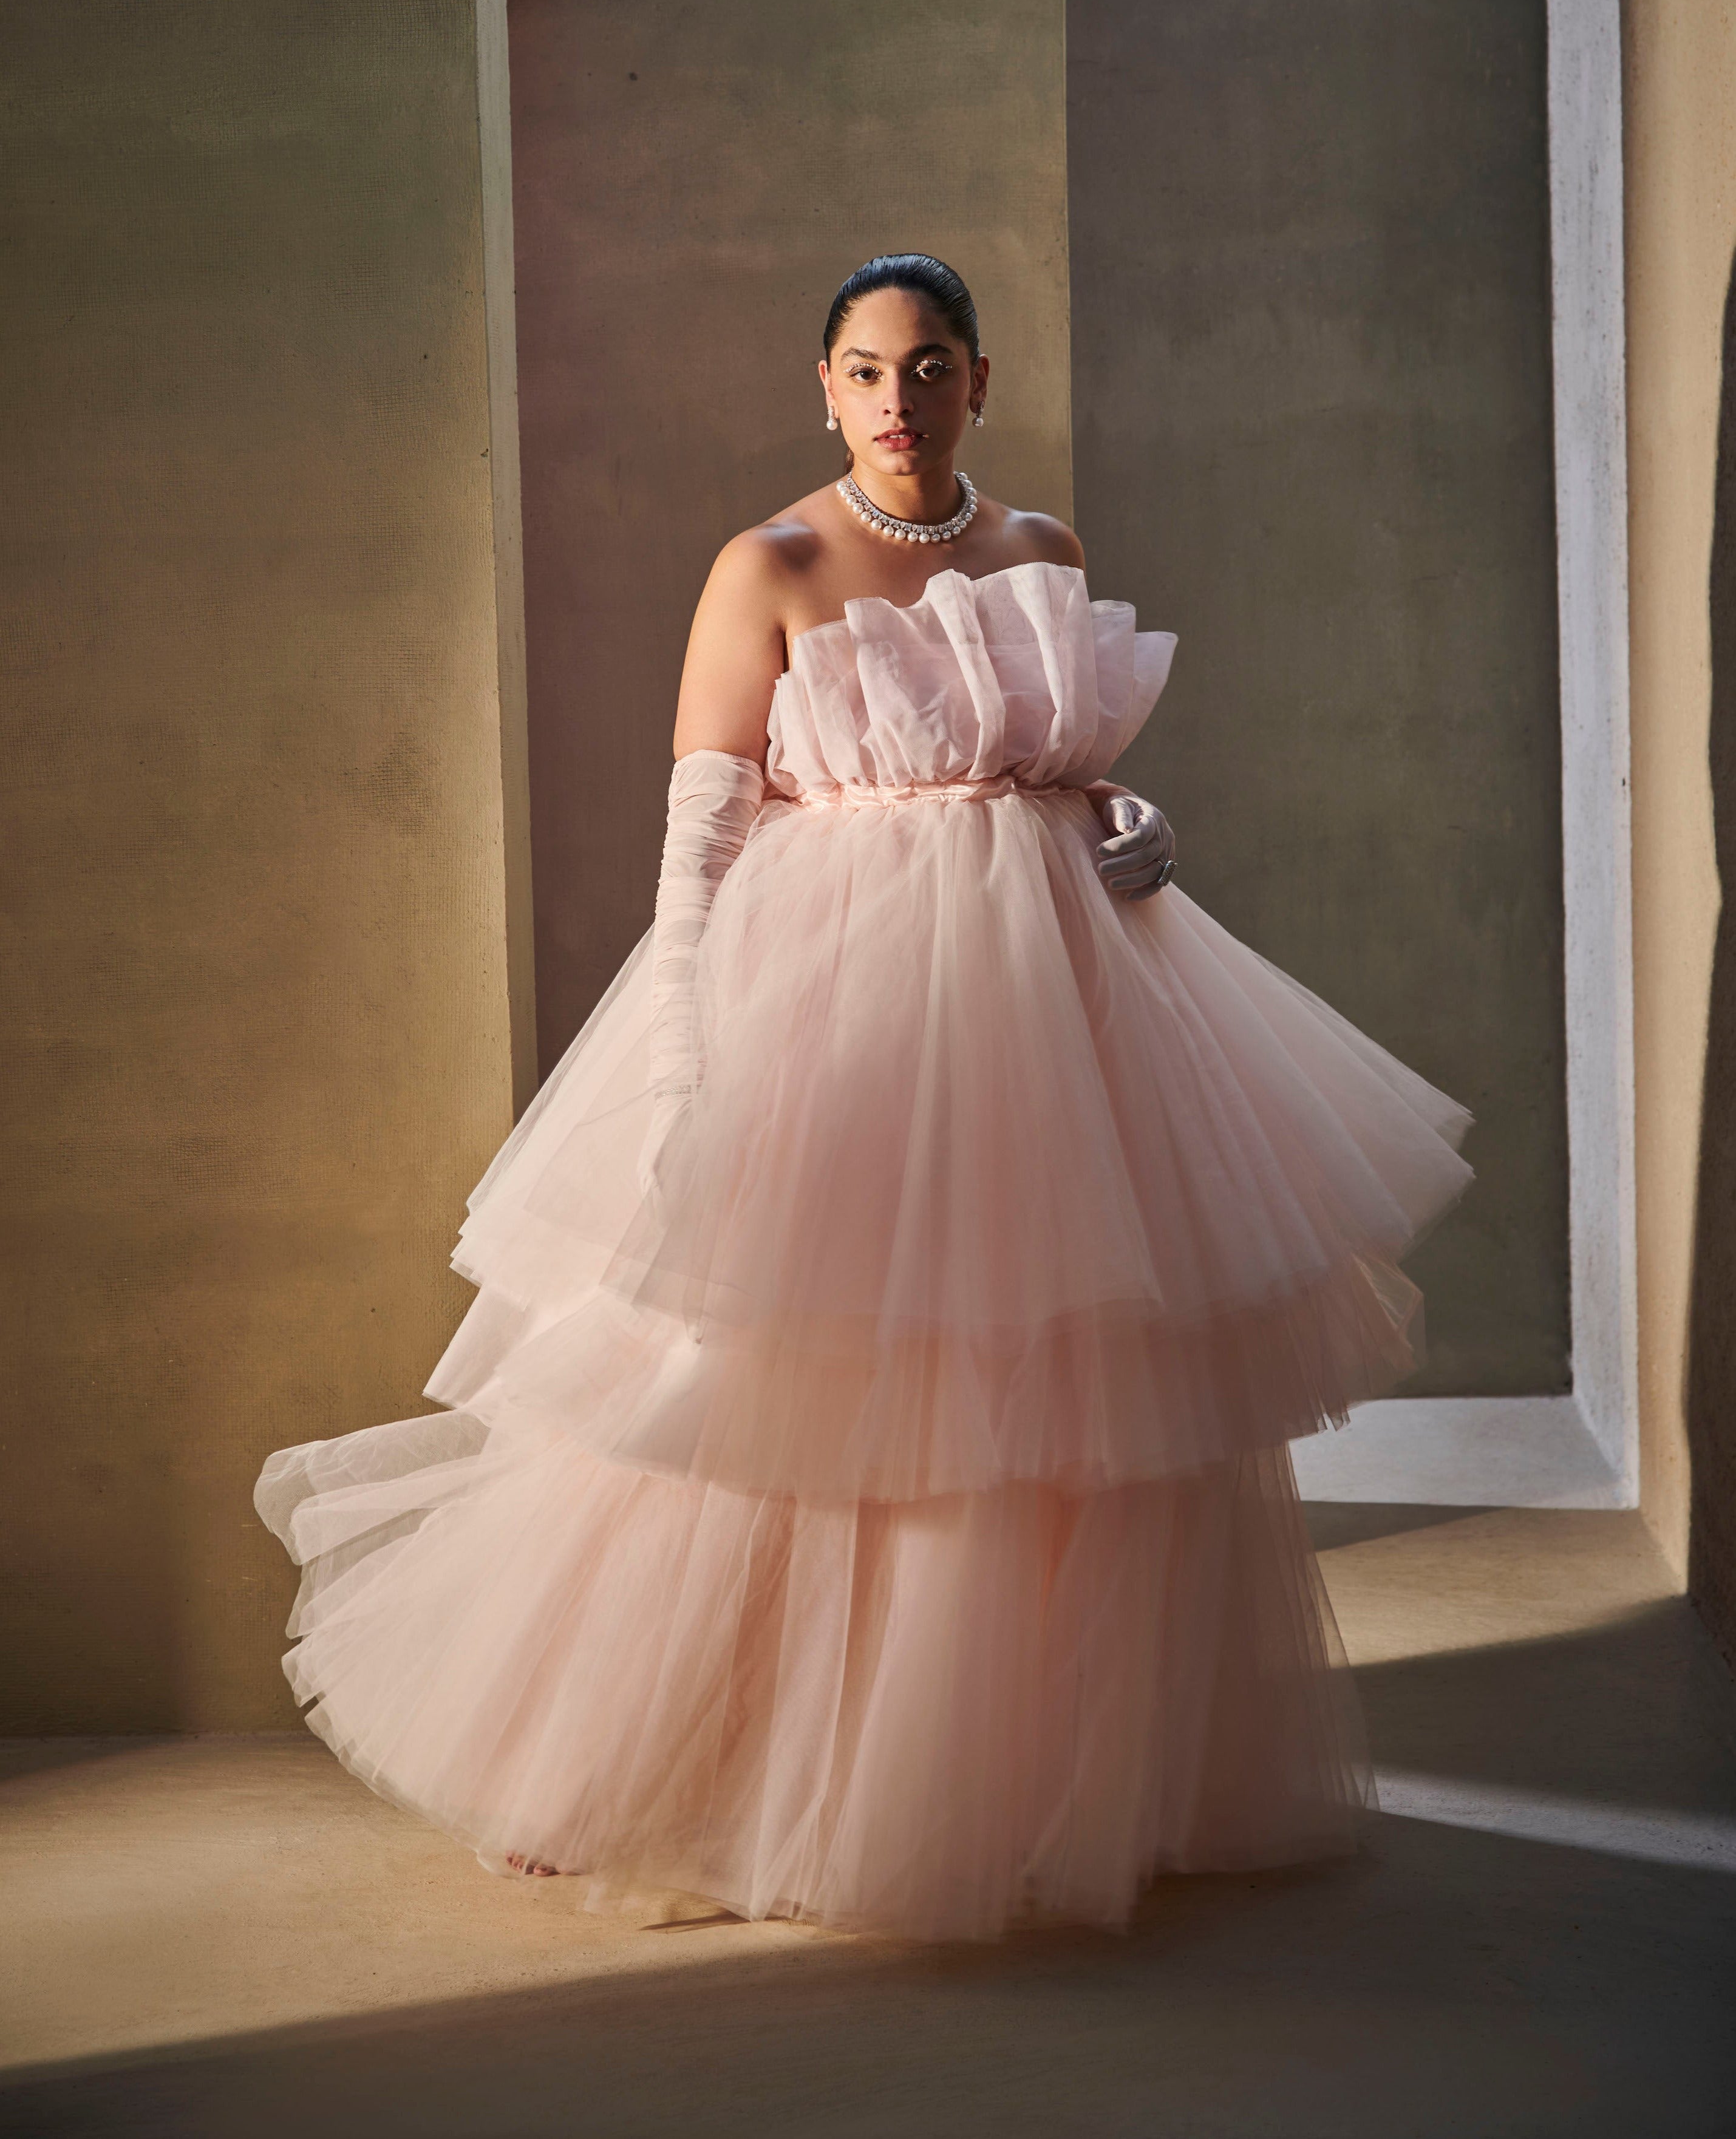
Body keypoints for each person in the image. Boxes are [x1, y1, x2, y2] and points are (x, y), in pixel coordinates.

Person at [256, 253, 1474, 1942]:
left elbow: (1055, 756)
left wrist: (1131, 830)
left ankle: (1053, 1774)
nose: (896, 400)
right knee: (778, 1380)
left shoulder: (1039, 548)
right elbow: (702, 832)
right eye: (862, 370)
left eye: (928, 367)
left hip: (1059, 1007)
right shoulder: (764, 563)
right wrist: (687, 1056)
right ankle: (611, 1760)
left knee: (1073, 1379)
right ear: (822, 387)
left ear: (979, 379)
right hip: (846, 1000)